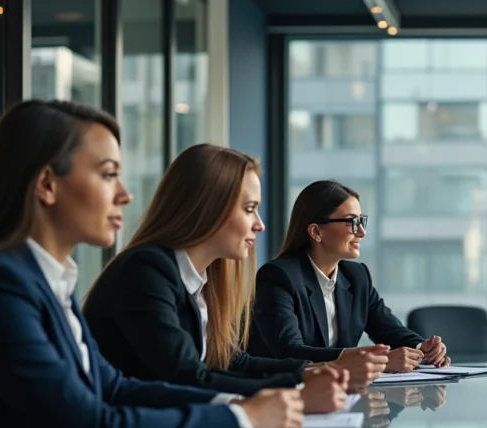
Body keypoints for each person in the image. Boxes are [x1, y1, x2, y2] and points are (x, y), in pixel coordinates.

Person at [0, 100, 310, 428]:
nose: (125, 194)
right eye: (108, 175)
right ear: (47, 185)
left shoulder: (48, 281)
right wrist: (243, 418)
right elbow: (93, 426)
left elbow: (114, 386)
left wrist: (243, 405)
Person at [82, 144, 368, 401]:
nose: (259, 225)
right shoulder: (146, 271)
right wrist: (299, 384)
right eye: (249, 209)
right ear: (208, 208)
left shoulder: (201, 279)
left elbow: (233, 361)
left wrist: (316, 371)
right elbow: (187, 377)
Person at [248, 180, 449, 373]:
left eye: (361, 221)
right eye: (352, 222)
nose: (361, 232)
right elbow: (290, 352)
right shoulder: (278, 277)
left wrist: (423, 348)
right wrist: (373, 361)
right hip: (283, 394)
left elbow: (390, 330)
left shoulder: (357, 276)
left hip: (339, 394)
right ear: (316, 231)